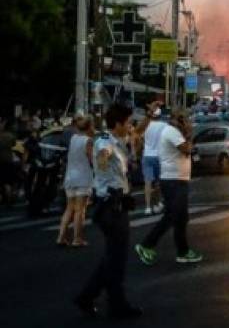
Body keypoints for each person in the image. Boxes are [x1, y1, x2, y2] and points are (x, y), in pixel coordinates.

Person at [74, 103, 142, 319]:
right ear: (119, 123)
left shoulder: (118, 140)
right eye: (128, 122)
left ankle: (86, 297)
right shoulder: (105, 141)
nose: (130, 126)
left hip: (117, 205)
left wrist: (148, 117)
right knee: (117, 261)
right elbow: (103, 153)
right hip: (110, 208)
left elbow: (137, 133)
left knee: (112, 258)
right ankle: (116, 305)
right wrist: (101, 160)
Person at [135, 110, 201, 265]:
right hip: (173, 180)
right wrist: (190, 136)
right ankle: (147, 244)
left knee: (180, 218)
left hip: (176, 179)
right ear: (178, 121)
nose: (188, 124)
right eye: (185, 120)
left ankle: (182, 251)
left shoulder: (173, 132)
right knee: (173, 216)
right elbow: (186, 149)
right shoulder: (172, 132)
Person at [58, 116, 95, 247]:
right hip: (82, 177)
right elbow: (91, 160)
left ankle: (61, 237)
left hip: (70, 177)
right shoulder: (88, 141)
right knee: (80, 210)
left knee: (69, 208)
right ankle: (77, 238)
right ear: (89, 127)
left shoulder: (73, 139)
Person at [137, 103, 165, 215]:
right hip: (159, 156)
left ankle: (148, 207)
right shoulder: (164, 126)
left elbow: (140, 138)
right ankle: (158, 203)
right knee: (158, 182)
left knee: (147, 182)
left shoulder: (146, 125)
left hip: (147, 155)